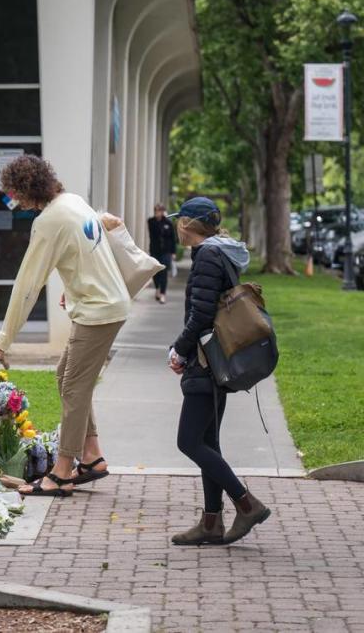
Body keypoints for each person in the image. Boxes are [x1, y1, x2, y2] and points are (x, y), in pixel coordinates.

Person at [0, 155, 130, 496]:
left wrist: (4, 336)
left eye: (14, 194)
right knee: (66, 376)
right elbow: (84, 246)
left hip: (98, 311)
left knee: (75, 386)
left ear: (27, 189)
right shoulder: (73, 202)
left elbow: (27, 284)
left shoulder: (48, 221)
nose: (14, 202)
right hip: (104, 305)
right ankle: (92, 456)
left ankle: (63, 471)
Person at [166, 197, 272, 546]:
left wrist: (179, 350)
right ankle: (211, 522)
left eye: (179, 220)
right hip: (214, 359)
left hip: (206, 361)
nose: (176, 225)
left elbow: (200, 314)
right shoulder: (215, 253)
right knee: (207, 441)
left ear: (188, 224)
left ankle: (246, 503)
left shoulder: (208, 257)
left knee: (189, 441)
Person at [147, 202, 177, 303]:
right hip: (155, 251)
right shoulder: (151, 222)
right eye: (156, 211)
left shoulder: (168, 223)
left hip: (166, 251)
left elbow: (172, 238)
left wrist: (173, 252)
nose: (157, 212)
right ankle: (157, 288)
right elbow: (154, 232)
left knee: (164, 272)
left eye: (159, 210)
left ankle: (163, 294)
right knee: (155, 271)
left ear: (163, 211)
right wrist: (160, 220)